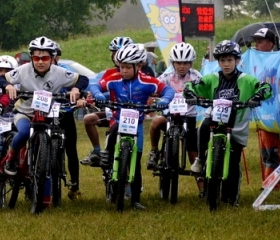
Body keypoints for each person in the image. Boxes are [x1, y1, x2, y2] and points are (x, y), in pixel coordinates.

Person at [186, 40, 271, 206]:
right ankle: (201, 159)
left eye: (230, 60)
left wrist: (256, 97)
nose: (226, 64)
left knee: (233, 162)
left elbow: (266, 88)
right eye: (222, 60)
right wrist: (190, 94)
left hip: (237, 126)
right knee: (203, 127)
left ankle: (231, 197)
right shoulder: (211, 78)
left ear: (237, 61)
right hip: (214, 120)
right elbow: (191, 85)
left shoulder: (247, 80)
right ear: (218, 62)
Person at [0, 36, 88, 184]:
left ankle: (46, 187)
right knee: (24, 132)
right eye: (36, 58)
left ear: (52, 58)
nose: (40, 62)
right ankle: (11, 159)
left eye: (44, 58)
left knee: (52, 144)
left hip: (48, 114)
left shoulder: (59, 72)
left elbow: (83, 79)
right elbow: (0, 79)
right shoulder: (24, 70)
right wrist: (8, 85)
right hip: (25, 113)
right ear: (31, 58)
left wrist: (76, 89)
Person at [99, 43, 173, 210]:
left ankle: (135, 200)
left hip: (137, 125)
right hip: (118, 120)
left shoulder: (147, 81)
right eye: (121, 67)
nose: (123, 71)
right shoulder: (114, 78)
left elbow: (168, 90)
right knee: (114, 129)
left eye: (127, 67)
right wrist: (97, 94)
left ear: (138, 66)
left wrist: (164, 100)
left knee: (137, 161)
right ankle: (107, 153)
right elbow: (96, 86)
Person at [147, 42, 204, 196]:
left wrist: (201, 97)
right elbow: (154, 88)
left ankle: (202, 187)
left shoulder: (196, 77)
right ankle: (154, 151)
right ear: (173, 63)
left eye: (186, 63)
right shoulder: (166, 76)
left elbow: (205, 91)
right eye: (178, 63)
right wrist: (152, 96)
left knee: (193, 151)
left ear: (191, 63)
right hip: (169, 116)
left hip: (188, 117)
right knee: (156, 121)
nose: (182, 66)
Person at [80, 36, 133, 167]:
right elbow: (98, 89)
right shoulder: (109, 73)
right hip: (112, 112)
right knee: (88, 119)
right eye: (114, 53)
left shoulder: (136, 73)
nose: (117, 56)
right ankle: (97, 151)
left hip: (132, 115)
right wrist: (93, 98)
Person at [252, 28, 280, 188]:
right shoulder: (257, 63)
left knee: (272, 150)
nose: (256, 45)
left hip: (272, 114)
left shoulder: (278, 61)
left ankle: (273, 184)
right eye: (255, 42)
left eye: (260, 42)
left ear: (270, 44)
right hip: (261, 113)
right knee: (264, 151)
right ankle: (267, 181)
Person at [51, 41, 82, 199]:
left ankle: (75, 185)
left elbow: (80, 84)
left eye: (53, 56)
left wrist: (79, 94)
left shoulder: (65, 71)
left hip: (65, 111)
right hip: (46, 113)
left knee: (71, 148)